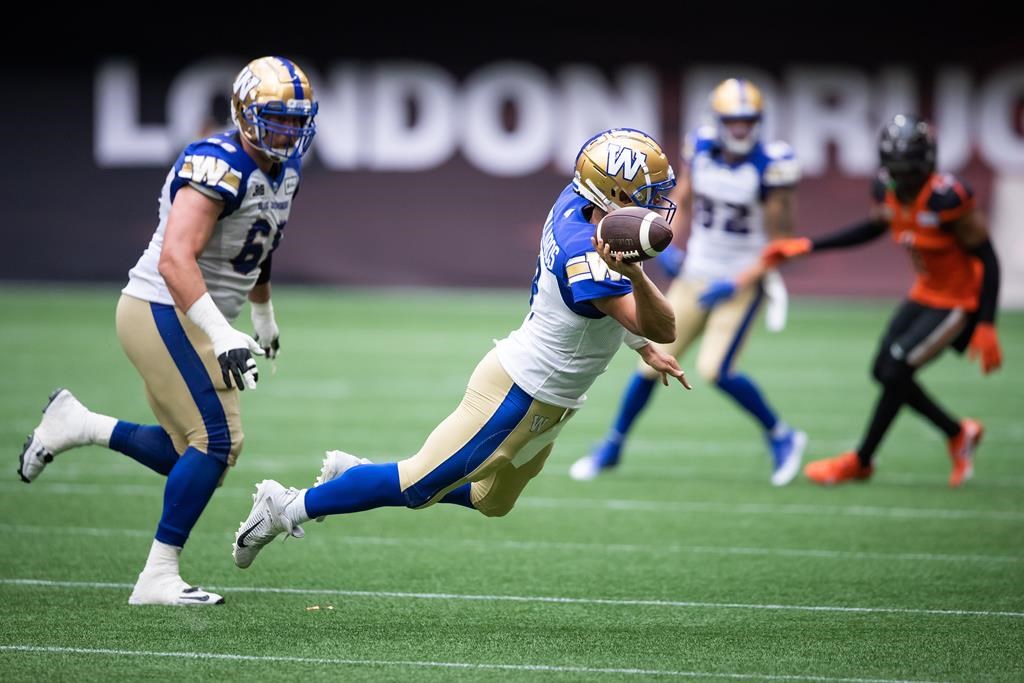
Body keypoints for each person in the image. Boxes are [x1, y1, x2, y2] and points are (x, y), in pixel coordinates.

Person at [230, 128, 691, 570]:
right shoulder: (585, 258)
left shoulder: (577, 201)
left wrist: (640, 345)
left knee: (492, 502)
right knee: (415, 487)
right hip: (521, 393)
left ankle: (358, 476)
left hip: (555, 398)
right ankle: (286, 505)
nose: (655, 205)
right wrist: (635, 275)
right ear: (613, 195)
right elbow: (665, 325)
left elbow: (615, 314)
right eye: (646, 194)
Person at [16, 56, 319, 604]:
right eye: (276, 119)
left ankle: (77, 424)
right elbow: (175, 260)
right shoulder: (216, 163)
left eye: (296, 121)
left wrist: (262, 313)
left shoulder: (286, 170)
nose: (287, 133)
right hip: (161, 307)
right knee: (217, 442)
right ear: (244, 114)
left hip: (194, 316)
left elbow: (259, 240)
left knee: (192, 454)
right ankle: (156, 576)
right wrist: (221, 333)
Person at [569, 78, 806, 486]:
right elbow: (683, 198)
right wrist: (666, 244)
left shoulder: (771, 166)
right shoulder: (702, 149)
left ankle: (782, 435)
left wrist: (738, 281)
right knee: (650, 361)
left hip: (739, 282)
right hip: (697, 272)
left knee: (716, 369)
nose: (740, 129)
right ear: (719, 121)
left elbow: (781, 242)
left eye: (747, 121)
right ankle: (613, 445)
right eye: (732, 121)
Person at [764, 114, 1002, 486]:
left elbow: (988, 258)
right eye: (896, 171)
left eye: (908, 172)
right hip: (924, 293)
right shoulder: (886, 189)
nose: (901, 180)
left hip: (959, 301)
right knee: (883, 371)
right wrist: (810, 245)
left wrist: (986, 323)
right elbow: (875, 225)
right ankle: (958, 433)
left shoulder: (947, 198)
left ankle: (862, 460)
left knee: (895, 371)